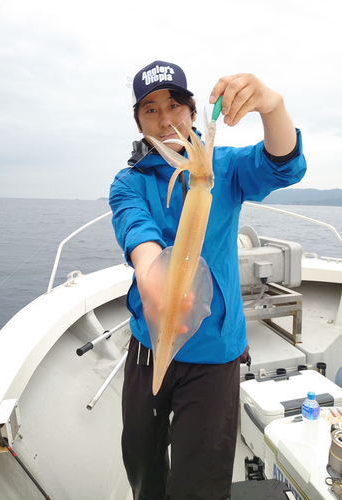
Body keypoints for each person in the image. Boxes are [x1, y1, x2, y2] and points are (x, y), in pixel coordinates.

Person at [109, 60, 307, 500]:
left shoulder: (227, 170)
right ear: (139, 122)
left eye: (176, 105)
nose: (165, 120)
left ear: (194, 113)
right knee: (142, 465)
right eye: (151, 110)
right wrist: (152, 279)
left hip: (214, 353)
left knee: (199, 481)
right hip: (149, 344)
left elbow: (283, 165)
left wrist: (272, 107)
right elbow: (137, 234)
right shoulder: (129, 183)